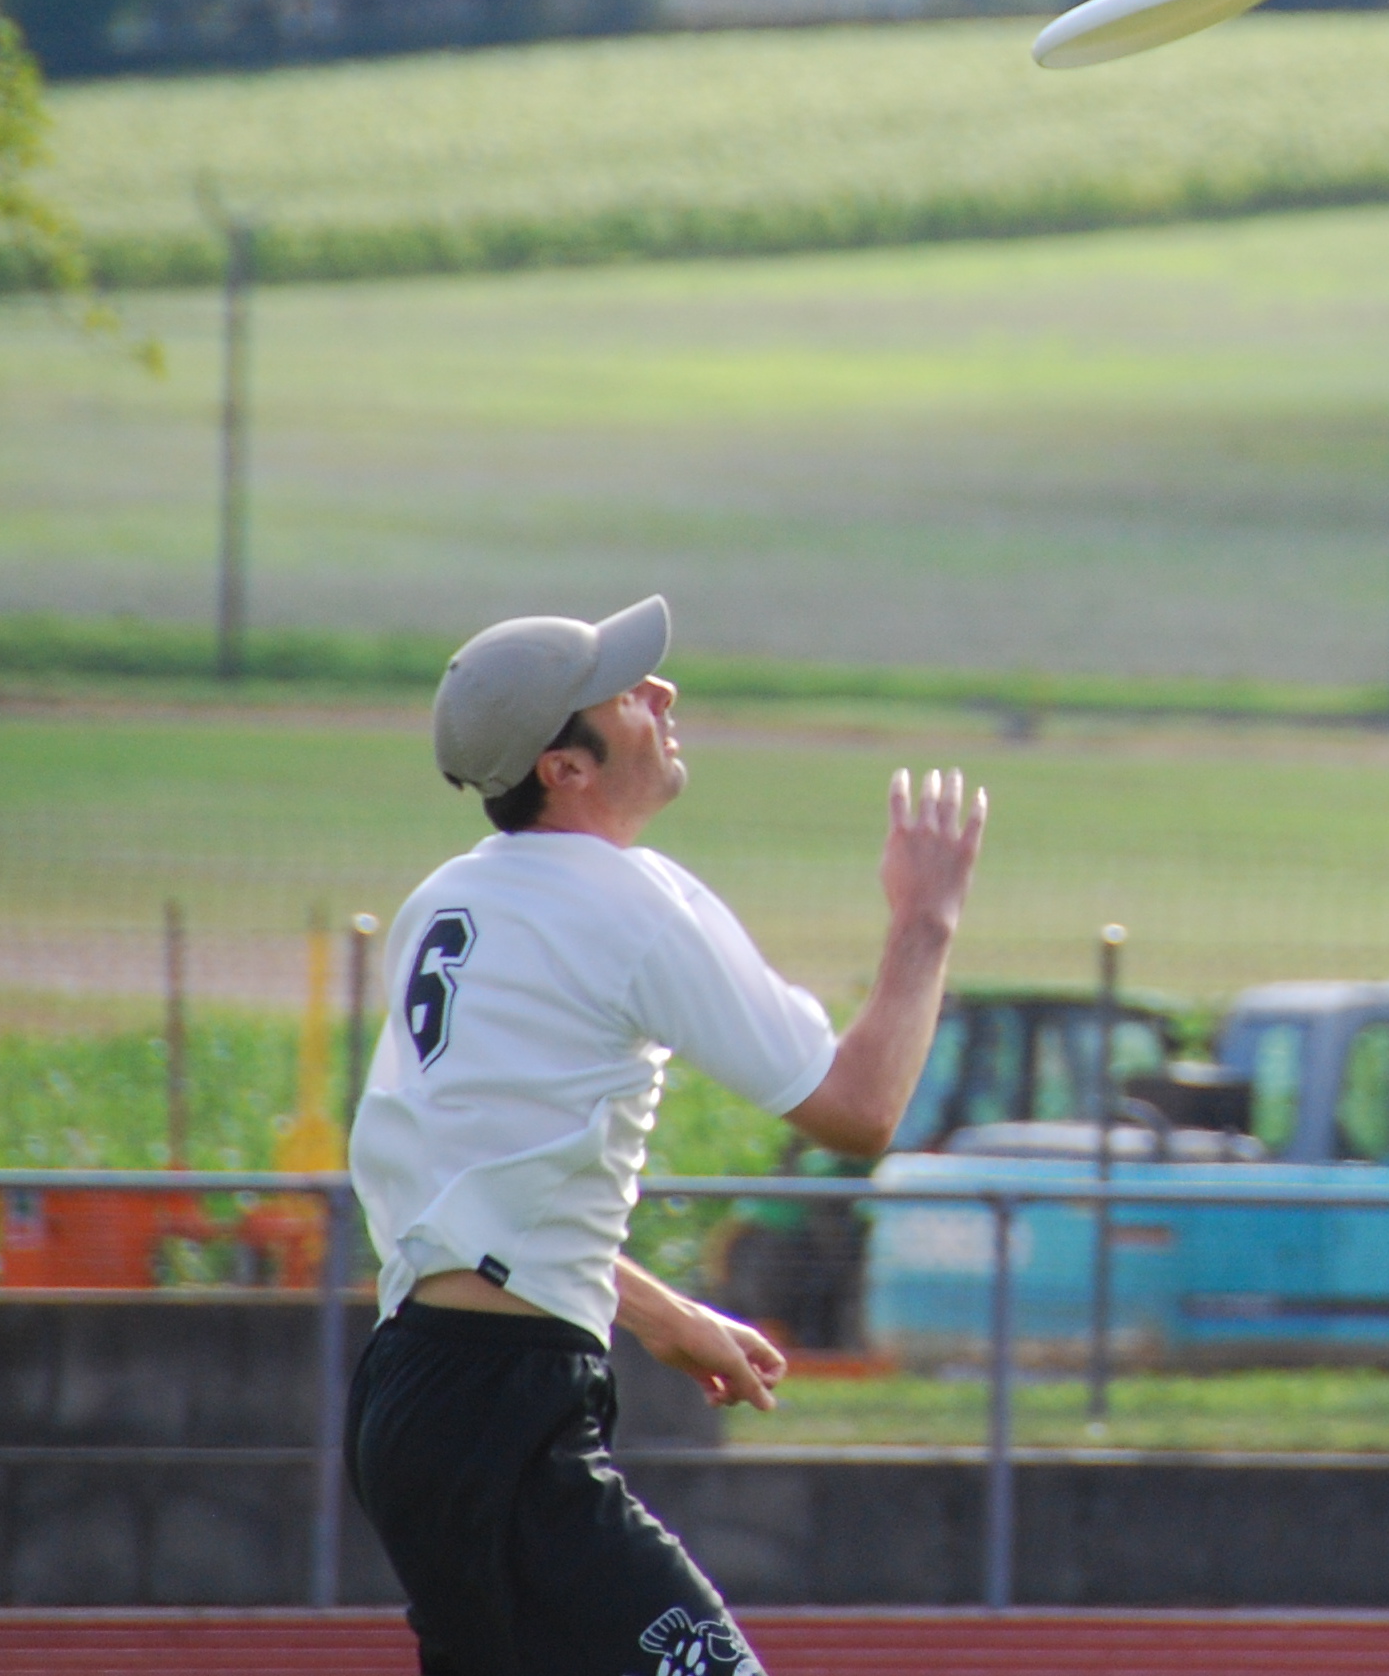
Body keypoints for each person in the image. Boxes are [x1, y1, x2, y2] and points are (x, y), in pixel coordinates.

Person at [347, 594, 985, 1676]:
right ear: (565, 767)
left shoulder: (444, 902)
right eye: (625, 691)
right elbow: (858, 1109)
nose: (661, 691)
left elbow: (464, 1203)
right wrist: (925, 921)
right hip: (504, 1406)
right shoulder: (627, 900)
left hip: (412, 1390)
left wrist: (662, 1313)